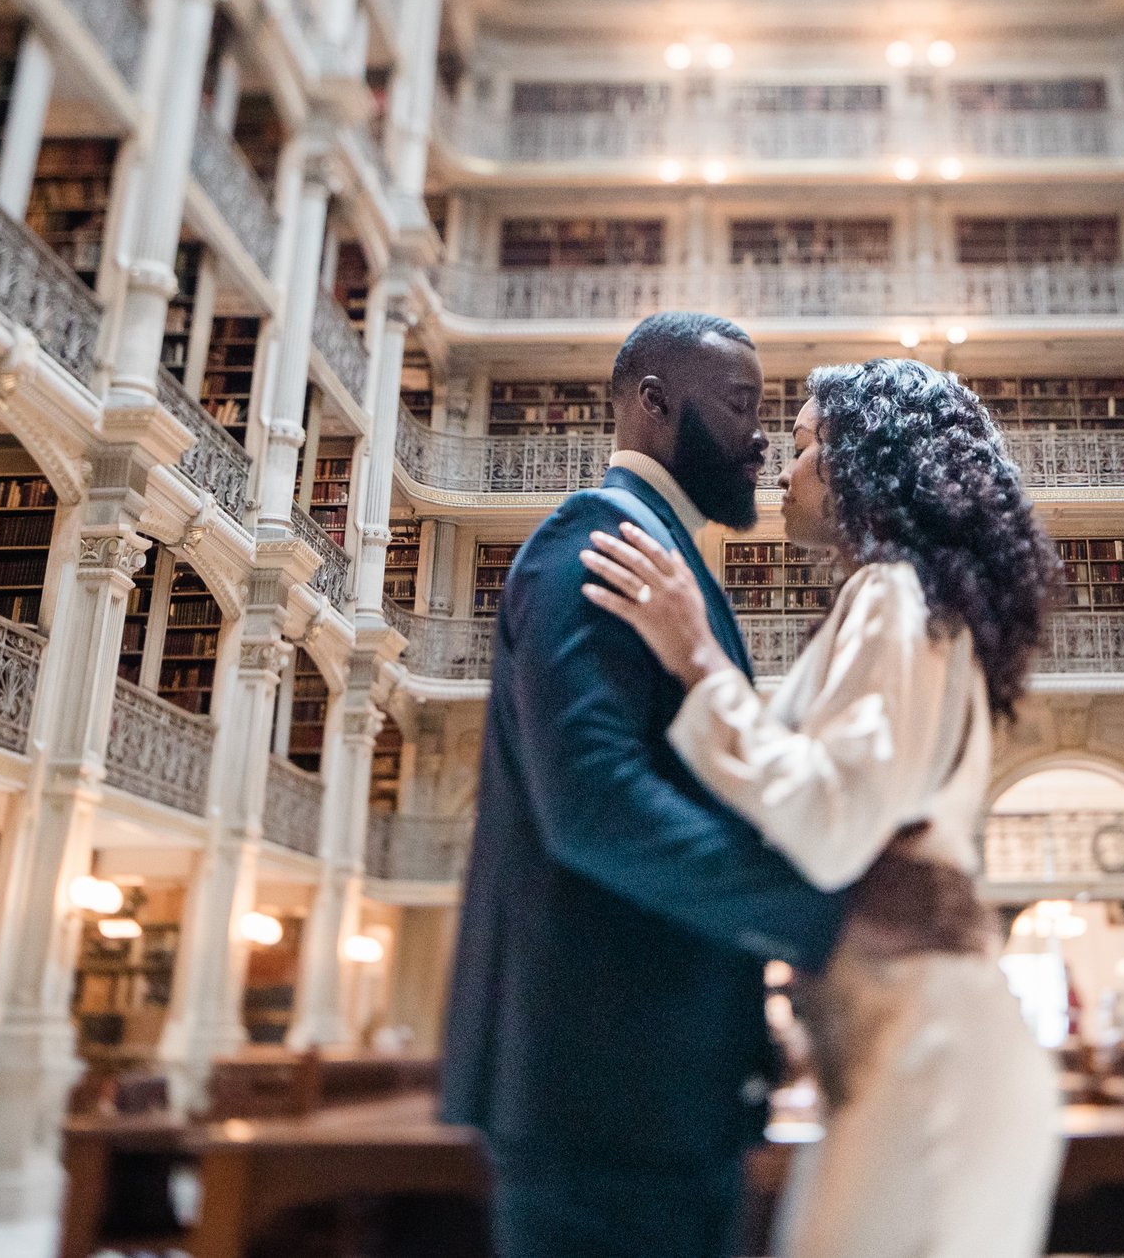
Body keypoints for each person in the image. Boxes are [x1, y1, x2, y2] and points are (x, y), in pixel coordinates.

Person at [580, 357, 1067, 1258]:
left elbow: (833, 824)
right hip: (914, 1048)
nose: (785, 469)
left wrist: (699, 660)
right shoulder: (913, 596)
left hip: (932, 1067)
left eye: (804, 447)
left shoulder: (892, 591)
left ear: (862, 465)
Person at [441, 311, 845, 1258]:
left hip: (652, 1088)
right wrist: (816, 907)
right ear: (654, 404)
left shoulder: (664, 555)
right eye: (741, 404)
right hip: (601, 1092)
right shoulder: (599, 540)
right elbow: (593, 806)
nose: (758, 437)